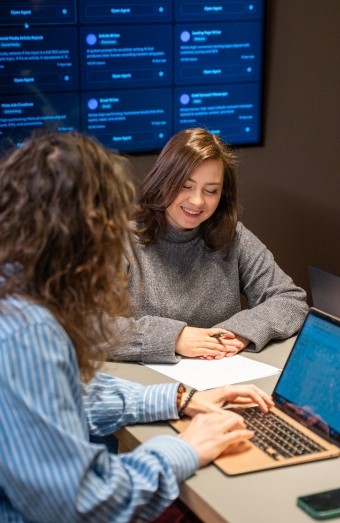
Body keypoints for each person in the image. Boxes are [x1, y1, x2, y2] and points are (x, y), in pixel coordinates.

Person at [0, 131, 274, 522]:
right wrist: (189, 448)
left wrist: (178, 399)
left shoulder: (17, 296)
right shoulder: (27, 331)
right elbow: (88, 502)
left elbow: (66, 394)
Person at [105, 127, 309, 363]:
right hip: (150, 389)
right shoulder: (120, 241)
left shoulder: (234, 238)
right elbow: (85, 325)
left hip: (222, 376)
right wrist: (175, 338)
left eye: (211, 190)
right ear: (163, 181)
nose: (197, 201)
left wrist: (237, 332)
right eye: (185, 186)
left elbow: (291, 300)